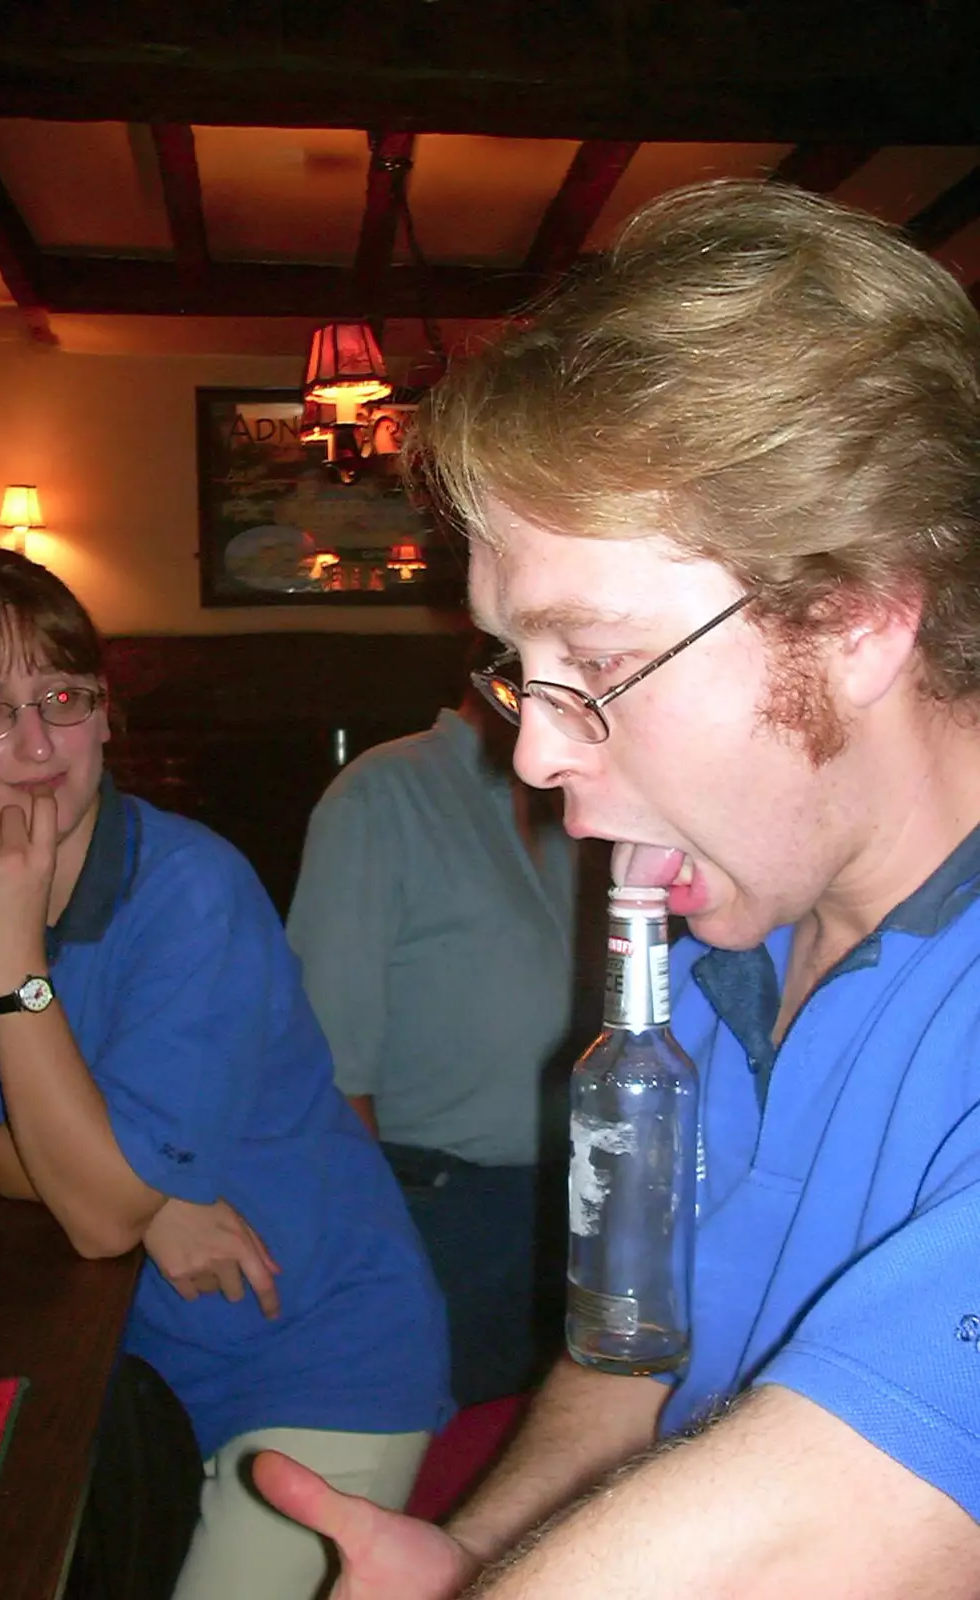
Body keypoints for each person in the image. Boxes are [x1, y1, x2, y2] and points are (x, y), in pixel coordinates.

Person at [251, 176, 980, 1598]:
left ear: (852, 618)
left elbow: (815, 1524)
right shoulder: (701, 963)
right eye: (520, 670)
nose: (529, 751)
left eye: (594, 663)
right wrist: (466, 1558)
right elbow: (621, 1362)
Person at [0, 544, 450, 1600]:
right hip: (127, 1356)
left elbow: (95, 1217)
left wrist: (10, 964)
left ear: (108, 716)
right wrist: (149, 1196)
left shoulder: (190, 890)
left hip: (317, 1349)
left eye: (63, 697)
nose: (35, 744)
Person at [287, 633, 599, 1408]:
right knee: (442, 1451)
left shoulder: (583, 799)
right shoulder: (384, 793)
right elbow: (324, 1051)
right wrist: (372, 1243)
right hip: (437, 1204)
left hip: (570, 1194)